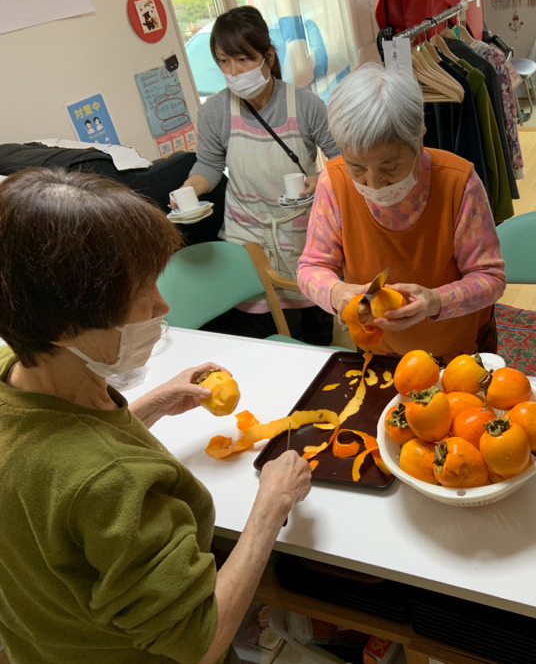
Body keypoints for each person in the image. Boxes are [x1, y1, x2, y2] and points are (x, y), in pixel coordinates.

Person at [0, 168, 312, 663]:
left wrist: (150, 405)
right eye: (138, 295)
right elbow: (201, 641)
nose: (162, 304)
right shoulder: (111, 483)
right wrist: (271, 506)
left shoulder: (13, 371)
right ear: (62, 323)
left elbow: (59, 462)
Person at [297, 63, 506, 361]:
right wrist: (336, 293)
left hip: (457, 355)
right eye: (357, 167)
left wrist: (436, 300)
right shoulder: (334, 182)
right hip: (377, 353)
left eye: (389, 166)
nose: (373, 182)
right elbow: (310, 268)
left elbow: (490, 277)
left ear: (419, 140)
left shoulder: (459, 183)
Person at [178, 6, 340, 346]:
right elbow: (208, 164)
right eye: (224, 62)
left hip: (302, 231)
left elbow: (341, 161)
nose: (233, 71)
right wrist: (190, 189)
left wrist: (320, 180)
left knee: (317, 326)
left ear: (268, 56)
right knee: (259, 331)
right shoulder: (214, 112)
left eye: (242, 60)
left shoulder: (307, 105)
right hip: (247, 235)